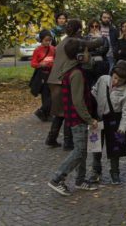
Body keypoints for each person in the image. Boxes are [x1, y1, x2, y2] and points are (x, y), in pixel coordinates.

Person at [47, 38, 98, 196]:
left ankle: (80, 180)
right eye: (86, 51)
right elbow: (78, 101)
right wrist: (90, 119)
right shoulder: (75, 73)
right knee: (80, 150)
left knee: (81, 150)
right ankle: (57, 178)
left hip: (76, 116)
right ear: (79, 56)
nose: (88, 54)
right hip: (78, 118)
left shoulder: (74, 68)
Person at [46, 20, 103, 151]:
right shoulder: (74, 42)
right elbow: (96, 44)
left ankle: (51, 138)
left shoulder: (63, 41)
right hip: (63, 78)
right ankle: (68, 142)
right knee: (67, 110)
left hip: (54, 78)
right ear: (78, 30)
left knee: (59, 112)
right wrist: (100, 37)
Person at [89, 60, 126, 185]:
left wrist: (122, 128)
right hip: (97, 118)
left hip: (115, 121)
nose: (116, 82)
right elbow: (93, 93)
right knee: (96, 145)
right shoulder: (103, 79)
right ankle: (95, 171)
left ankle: (115, 172)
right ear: (112, 73)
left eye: (120, 80)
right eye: (115, 78)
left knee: (115, 149)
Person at [31, 30, 56, 123]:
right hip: (42, 75)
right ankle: (45, 115)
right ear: (41, 40)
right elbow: (33, 63)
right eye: (46, 40)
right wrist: (40, 65)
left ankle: (42, 111)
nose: (48, 42)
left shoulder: (53, 49)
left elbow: (56, 60)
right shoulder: (37, 50)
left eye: (49, 40)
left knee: (53, 94)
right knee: (45, 95)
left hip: (52, 74)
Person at [84, 19, 110, 87]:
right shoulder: (85, 38)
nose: (94, 28)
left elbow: (104, 50)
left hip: (101, 64)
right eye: (92, 26)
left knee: (100, 85)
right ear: (89, 27)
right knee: (89, 85)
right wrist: (96, 50)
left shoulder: (103, 38)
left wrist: (98, 38)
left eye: (96, 26)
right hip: (88, 65)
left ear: (99, 27)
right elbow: (85, 50)